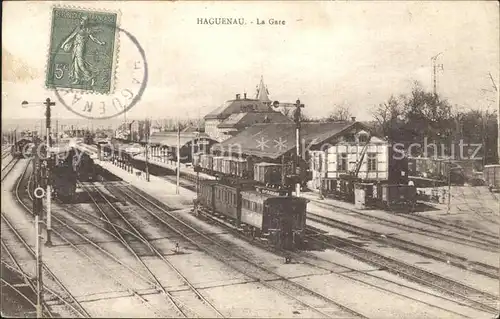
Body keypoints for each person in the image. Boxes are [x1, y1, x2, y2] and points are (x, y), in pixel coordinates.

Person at [60, 16, 106, 86]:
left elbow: (93, 39)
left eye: (83, 21)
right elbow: (71, 36)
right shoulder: (78, 28)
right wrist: (64, 44)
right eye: (81, 20)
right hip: (75, 47)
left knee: (81, 65)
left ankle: (92, 77)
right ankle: (77, 79)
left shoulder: (87, 30)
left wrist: (100, 43)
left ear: (86, 22)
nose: (81, 22)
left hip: (80, 47)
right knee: (75, 64)